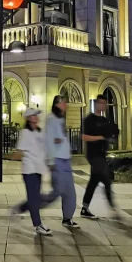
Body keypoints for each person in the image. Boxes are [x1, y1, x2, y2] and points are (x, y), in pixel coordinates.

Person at [10, 108, 57, 236]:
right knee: (34, 198)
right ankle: (38, 225)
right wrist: (15, 156)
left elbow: (44, 149)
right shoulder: (25, 133)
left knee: (34, 197)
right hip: (29, 170)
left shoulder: (40, 132)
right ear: (28, 118)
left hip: (39, 169)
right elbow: (20, 151)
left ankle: (19, 208)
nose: (37, 116)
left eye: (37, 114)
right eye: (34, 115)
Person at [80, 95, 120, 219]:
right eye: (100, 103)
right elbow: (84, 137)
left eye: (105, 104)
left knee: (94, 181)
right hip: (93, 155)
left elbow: (114, 132)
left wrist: (111, 136)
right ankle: (113, 207)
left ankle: (84, 208)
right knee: (106, 179)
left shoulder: (105, 121)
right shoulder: (89, 119)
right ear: (96, 104)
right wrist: (100, 137)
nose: (102, 106)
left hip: (102, 155)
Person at [45, 95, 80, 228]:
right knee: (56, 192)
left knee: (69, 192)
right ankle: (34, 203)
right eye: (63, 103)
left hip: (66, 161)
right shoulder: (51, 119)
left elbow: (59, 139)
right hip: (57, 161)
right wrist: (50, 161)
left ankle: (67, 218)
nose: (66, 105)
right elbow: (49, 141)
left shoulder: (60, 120)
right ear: (57, 105)